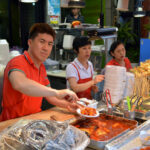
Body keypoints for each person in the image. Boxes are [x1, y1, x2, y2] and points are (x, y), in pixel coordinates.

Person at [0, 23, 80, 121]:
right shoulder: (16, 62)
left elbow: (49, 96)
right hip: (13, 123)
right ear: (30, 42)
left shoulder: (41, 67)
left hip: (34, 119)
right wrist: (57, 92)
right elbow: (19, 83)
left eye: (49, 44)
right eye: (42, 42)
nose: (46, 48)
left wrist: (69, 105)